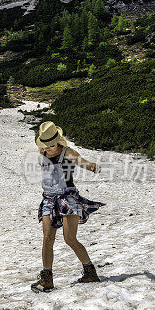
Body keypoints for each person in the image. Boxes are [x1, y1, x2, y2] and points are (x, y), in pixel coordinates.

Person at [31, 121, 106, 292]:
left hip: (67, 198)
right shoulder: (41, 155)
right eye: (44, 145)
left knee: (69, 238)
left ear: (57, 141)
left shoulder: (68, 153)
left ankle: (90, 272)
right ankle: (47, 279)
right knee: (47, 238)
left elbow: (82, 162)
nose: (46, 148)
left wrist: (92, 167)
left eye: (49, 145)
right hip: (48, 199)